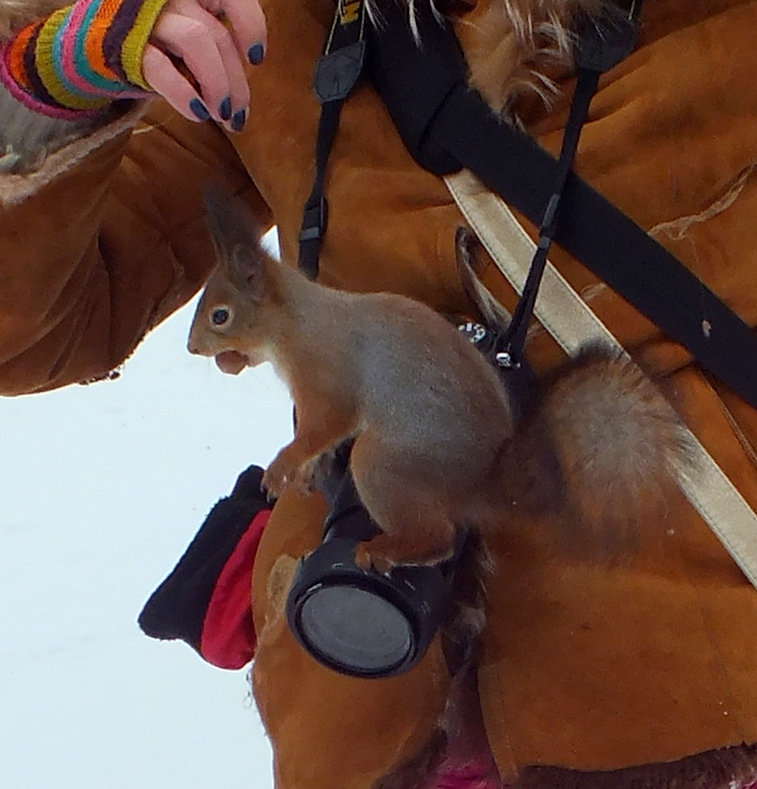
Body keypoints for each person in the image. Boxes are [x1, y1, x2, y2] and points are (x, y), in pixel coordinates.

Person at [2, 0, 757, 786]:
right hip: (373, 696)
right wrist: (52, 83)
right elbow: (37, 330)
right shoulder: (270, 30)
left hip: (699, 694)